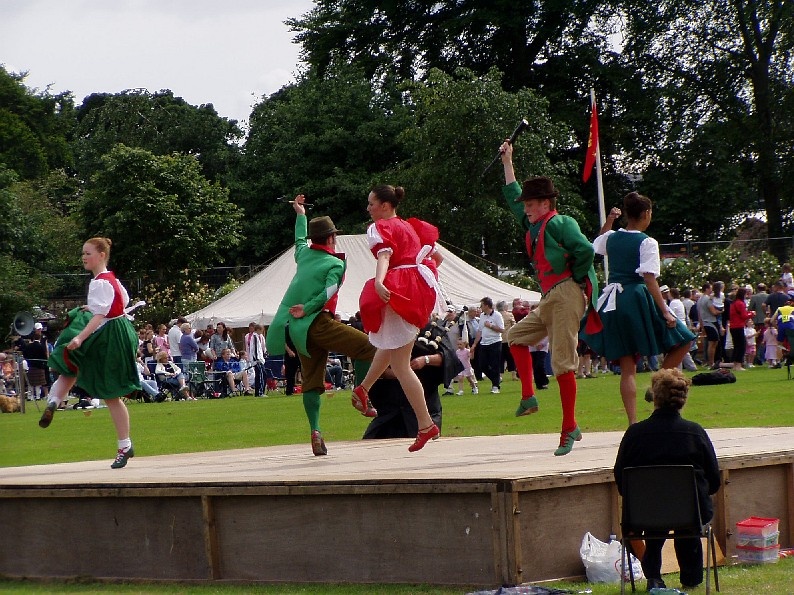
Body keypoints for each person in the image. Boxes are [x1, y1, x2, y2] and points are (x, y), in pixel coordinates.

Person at [499, 141, 598, 455]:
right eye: (525, 204)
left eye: (530, 204)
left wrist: (577, 277)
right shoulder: (536, 225)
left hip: (566, 292)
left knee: (562, 364)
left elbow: (585, 250)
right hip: (550, 297)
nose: (524, 208)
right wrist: (507, 162)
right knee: (514, 336)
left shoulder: (560, 222)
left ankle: (569, 427)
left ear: (544, 203)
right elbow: (513, 198)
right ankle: (529, 395)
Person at [266, 195, 377, 456]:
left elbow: (298, 239)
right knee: (368, 347)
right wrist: (308, 307)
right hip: (318, 322)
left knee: (312, 382)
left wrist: (300, 214)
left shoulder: (303, 254)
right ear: (330, 239)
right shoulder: (335, 263)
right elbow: (329, 291)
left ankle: (315, 430)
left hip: (298, 331)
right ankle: (361, 394)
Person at [581, 197, 694, 425]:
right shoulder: (647, 242)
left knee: (627, 368)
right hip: (636, 297)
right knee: (684, 340)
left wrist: (610, 221)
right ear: (646, 214)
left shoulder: (613, 237)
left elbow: (599, 242)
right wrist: (665, 310)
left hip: (613, 302)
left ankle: (633, 423)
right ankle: (658, 384)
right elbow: (649, 277)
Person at [353, 184, 445, 453]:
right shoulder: (409, 226)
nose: (368, 208)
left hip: (399, 287)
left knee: (401, 363)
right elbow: (436, 256)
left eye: (371, 203)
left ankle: (426, 424)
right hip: (416, 286)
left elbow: (384, 255)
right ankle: (363, 388)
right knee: (391, 344)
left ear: (384, 205)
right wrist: (419, 274)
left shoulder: (381, 228)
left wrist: (381, 281)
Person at [614, 368, 720, 591]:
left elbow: (620, 476)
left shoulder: (635, 434)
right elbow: (714, 479)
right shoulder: (695, 433)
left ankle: (653, 574)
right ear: (682, 399)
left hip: (643, 513)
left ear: (655, 396)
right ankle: (691, 578)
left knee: (655, 514)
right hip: (690, 512)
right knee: (687, 514)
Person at [40, 237, 140, 469]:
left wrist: (80, 336)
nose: (84, 257)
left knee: (109, 390)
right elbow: (121, 302)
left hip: (111, 335)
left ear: (101, 255)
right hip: (118, 330)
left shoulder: (99, 283)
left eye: (88, 253)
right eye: (83, 254)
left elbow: (100, 315)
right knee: (105, 388)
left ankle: (55, 398)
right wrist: (93, 309)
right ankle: (124, 444)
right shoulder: (110, 279)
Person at [363, 320, 461, 439]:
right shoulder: (388, 329)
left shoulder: (432, 328)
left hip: (426, 406)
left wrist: (426, 360)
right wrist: (394, 372)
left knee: (425, 451)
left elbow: (450, 358)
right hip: (390, 409)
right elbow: (371, 363)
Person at [470, 297, 504, 393]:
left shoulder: (497, 315)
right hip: (484, 343)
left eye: (481, 305)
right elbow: (479, 331)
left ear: (486, 305)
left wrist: (491, 326)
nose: (480, 307)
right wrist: (474, 344)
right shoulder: (482, 316)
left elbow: (502, 329)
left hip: (495, 342)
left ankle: (495, 386)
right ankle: (496, 379)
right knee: (482, 365)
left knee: (495, 364)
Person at [728, 286, 754, 371]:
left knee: (736, 346)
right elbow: (744, 316)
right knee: (741, 346)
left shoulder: (733, 303)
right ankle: (738, 365)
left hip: (732, 326)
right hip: (738, 326)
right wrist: (752, 314)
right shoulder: (741, 303)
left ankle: (735, 364)